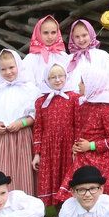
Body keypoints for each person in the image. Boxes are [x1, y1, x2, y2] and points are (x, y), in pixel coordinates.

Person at [0, 49, 40, 195]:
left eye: (11, 67)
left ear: (18, 65)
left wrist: (21, 123)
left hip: (21, 138)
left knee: (21, 173)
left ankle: (23, 211)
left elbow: (35, 116)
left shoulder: (30, 89)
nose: (8, 72)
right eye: (3, 69)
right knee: (0, 173)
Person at [32, 62, 80, 205]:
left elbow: (78, 124)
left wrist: (76, 146)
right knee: (52, 176)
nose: (58, 80)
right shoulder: (41, 101)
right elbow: (38, 128)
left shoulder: (73, 98)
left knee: (67, 176)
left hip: (68, 144)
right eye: (53, 77)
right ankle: (56, 210)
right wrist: (37, 153)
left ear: (66, 77)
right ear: (47, 80)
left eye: (61, 76)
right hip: (49, 146)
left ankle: (68, 210)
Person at [70, 68, 109, 197]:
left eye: (82, 82)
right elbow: (81, 129)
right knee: (81, 191)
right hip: (83, 157)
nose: (78, 85)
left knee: (98, 193)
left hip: (102, 161)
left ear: (92, 84)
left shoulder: (107, 108)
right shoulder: (85, 104)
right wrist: (76, 147)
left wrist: (91, 146)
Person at [64, 18, 109, 95]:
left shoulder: (102, 55)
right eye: (77, 37)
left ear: (90, 33)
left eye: (84, 35)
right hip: (75, 100)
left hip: (98, 99)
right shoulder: (69, 59)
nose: (81, 39)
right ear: (72, 38)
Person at [21, 14, 68, 86]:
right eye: (45, 33)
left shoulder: (63, 56)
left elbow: (69, 78)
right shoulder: (31, 58)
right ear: (38, 33)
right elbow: (27, 82)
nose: (50, 37)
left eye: (53, 32)